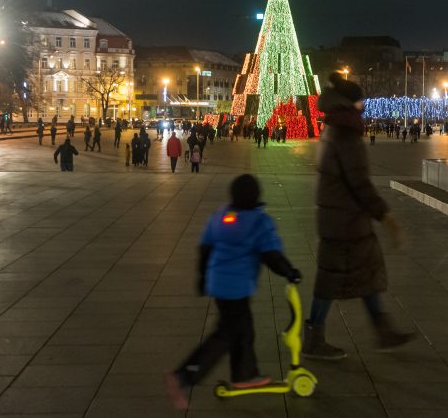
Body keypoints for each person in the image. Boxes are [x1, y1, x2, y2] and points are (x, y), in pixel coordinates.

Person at [302, 73, 414, 361]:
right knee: (331, 280)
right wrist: (387, 218)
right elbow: (359, 183)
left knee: (362, 273)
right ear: (350, 103)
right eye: (360, 100)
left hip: (339, 219)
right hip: (345, 222)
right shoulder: (346, 135)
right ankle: (314, 340)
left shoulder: (332, 130)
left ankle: (383, 330)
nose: (364, 105)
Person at [165, 174, 301, 410]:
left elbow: (205, 248)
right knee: (227, 335)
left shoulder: (220, 217)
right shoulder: (259, 222)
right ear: (256, 196)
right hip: (236, 288)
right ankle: (184, 376)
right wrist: (290, 272)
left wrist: (202, 278)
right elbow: (271, 255)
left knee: (242, 330)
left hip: (219, 284)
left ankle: (244, 375)